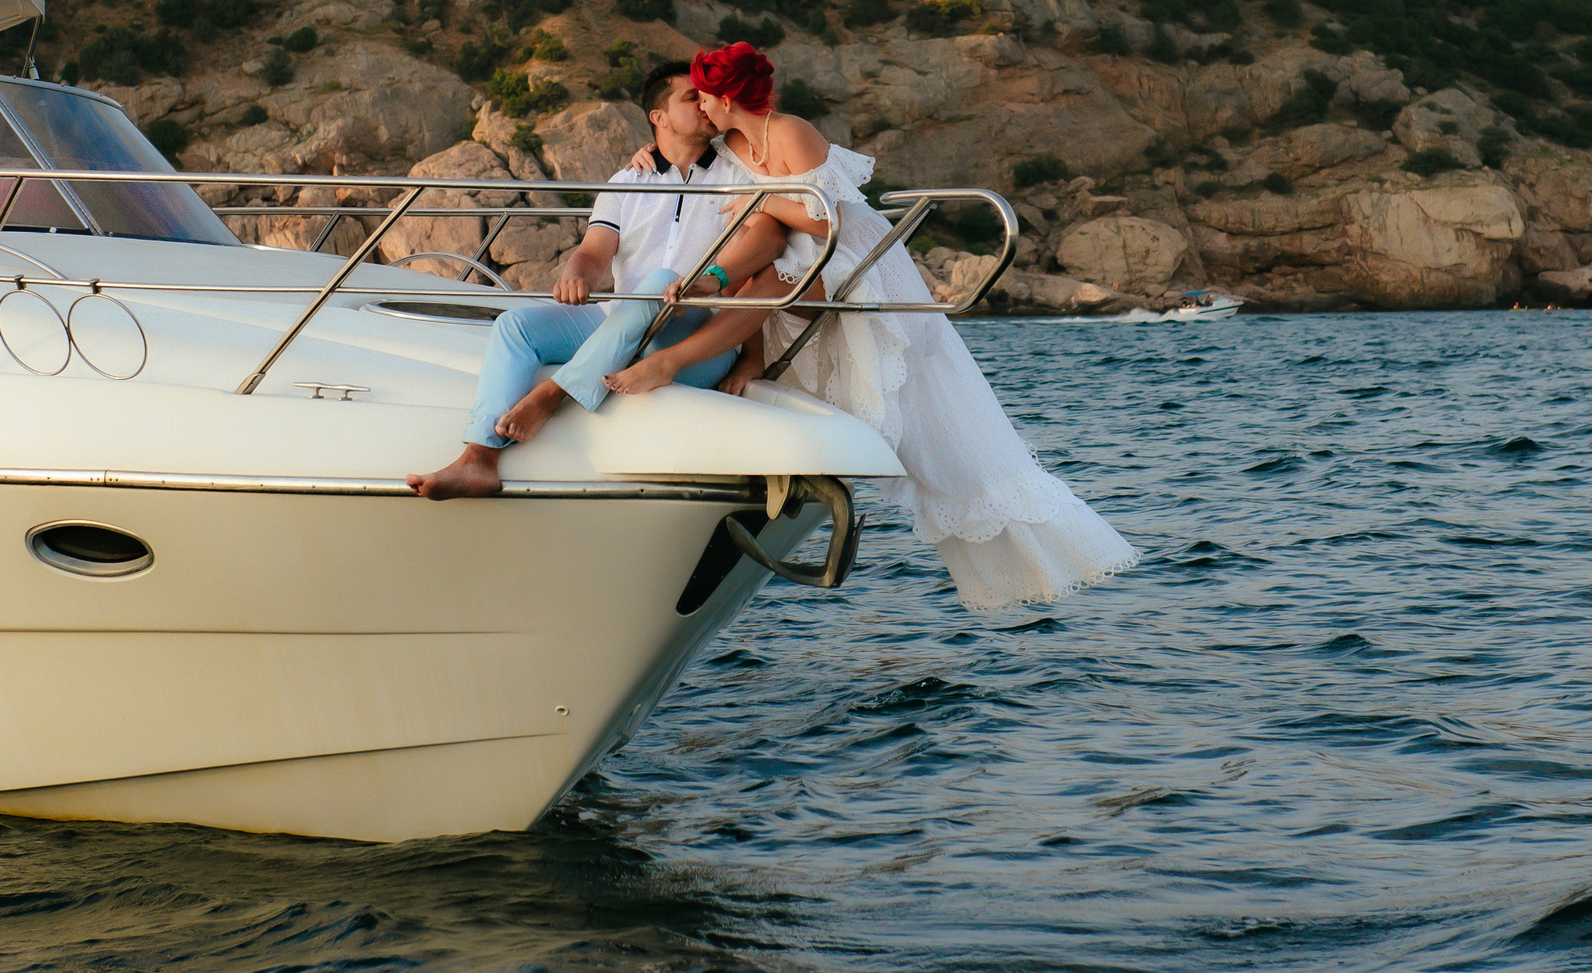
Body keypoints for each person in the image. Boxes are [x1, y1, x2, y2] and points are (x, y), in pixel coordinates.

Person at [603, 41, 1140, 610]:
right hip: (789, 257)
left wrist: (762, 200)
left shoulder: (791, 132)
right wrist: (648, 149)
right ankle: (700, 358)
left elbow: (822, 215)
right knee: (758, 278)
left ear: (725, 96)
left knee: (917, 397)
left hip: (843, 253)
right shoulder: (728, 140)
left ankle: (672, 361)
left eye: (704, 96)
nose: (701, 107)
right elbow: (685, 149)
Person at [405, 62, 770, 499]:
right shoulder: (626, 180)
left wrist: (752, 357)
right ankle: (478, 459)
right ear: (659, 117)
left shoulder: (738, 177)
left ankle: (552, 394)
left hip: (694, 340)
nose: (706, 104)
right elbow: (594, 251)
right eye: (692, 97)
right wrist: (576, 275)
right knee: (515, 327)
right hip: (618, 320)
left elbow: (760, 274)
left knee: (663, 280)